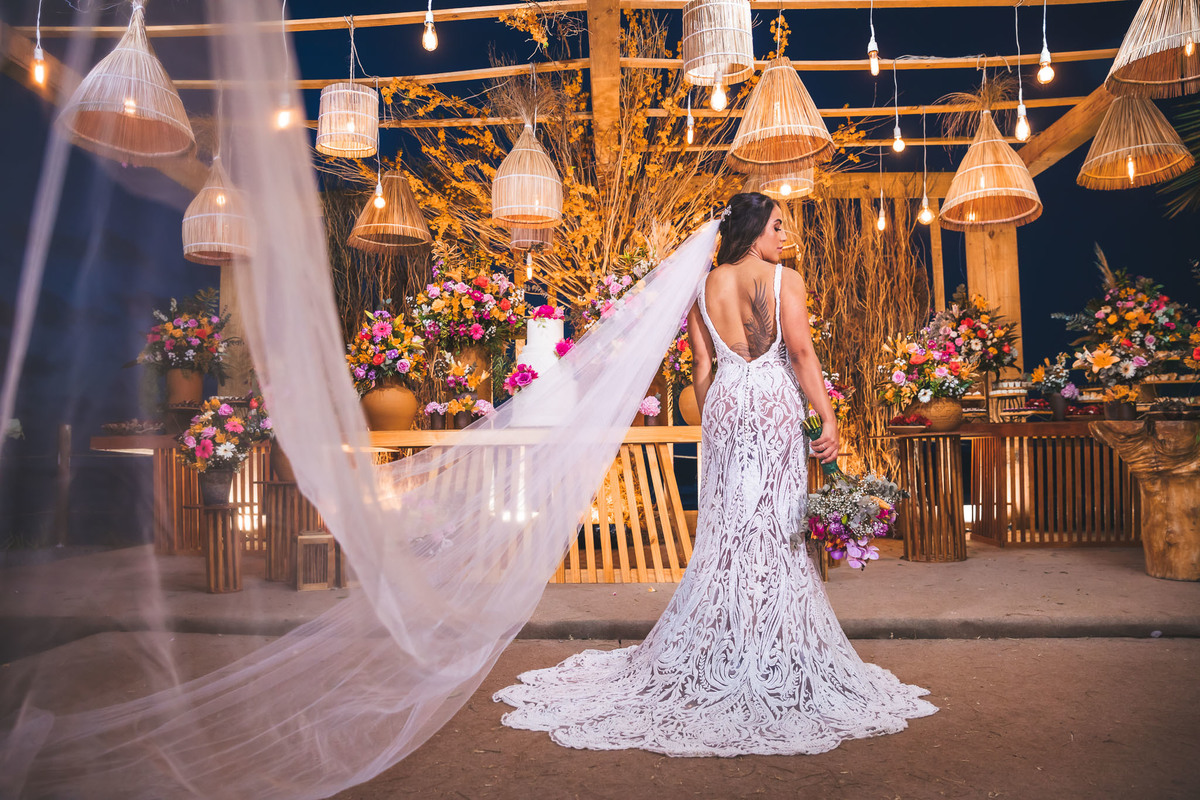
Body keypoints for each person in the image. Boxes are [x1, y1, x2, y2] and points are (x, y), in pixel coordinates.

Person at [493, 193, 938, 756]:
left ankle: (725, 637)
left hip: (725, 403)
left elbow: (702, 367)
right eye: (778, 226)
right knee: (775, 521)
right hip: (773, 400)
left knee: (728, 522)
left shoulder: (703, 287)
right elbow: (800, 354)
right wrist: (826, 415)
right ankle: (772, 640)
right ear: (754, 230)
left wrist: (718, 421)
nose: (784, 236)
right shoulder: (786, 280)